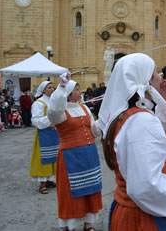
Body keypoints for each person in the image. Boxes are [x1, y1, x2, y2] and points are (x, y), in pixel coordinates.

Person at [96, 53, 166, 230]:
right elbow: (146, 187)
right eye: (156, 73)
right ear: (146, 81)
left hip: (128, 212)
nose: (161, 77)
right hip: (145, 219)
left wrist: (165, 104)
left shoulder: (126, 116)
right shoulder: (142, 121)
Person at [48, 74, 103, 231]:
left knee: (91, 189)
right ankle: (66, 225)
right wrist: (61, 87)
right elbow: (53, 110)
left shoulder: (84, 107)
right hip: (70, 156)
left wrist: (103, 121)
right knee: (70, 192)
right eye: (77, 90)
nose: (80, 92)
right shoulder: (60, 112)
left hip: (89, 154)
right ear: (69, 93)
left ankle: (88, 224)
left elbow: (93, 129)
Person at [29, 81, 58, 195]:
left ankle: (50, 179)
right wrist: (50, 118)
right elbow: (35, 120)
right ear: (43, 90)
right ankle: (42, 183)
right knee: (43, 158)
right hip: (44, 134)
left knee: (54, 157)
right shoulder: (38, 103)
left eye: (53, 87)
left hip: (55, 133)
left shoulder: (54, 102)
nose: (52, 89)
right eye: (49, 88)